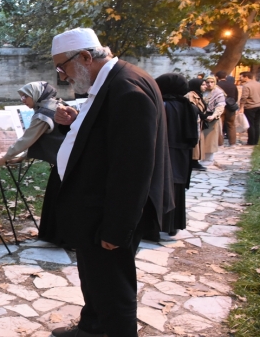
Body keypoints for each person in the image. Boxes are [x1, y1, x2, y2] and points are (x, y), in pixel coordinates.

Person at [40, 28, 174, 337]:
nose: (62, 76)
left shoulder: (127, 88)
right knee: (96, 277)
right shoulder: (113, 80)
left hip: (110, 211)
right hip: (96, 205)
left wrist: (117, 227)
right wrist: (77, 121)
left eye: (63, 67)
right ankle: (93, 327)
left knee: (113, 285)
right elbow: (111, 135)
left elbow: (134, 167)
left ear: (86, 57)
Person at [149, 73, 198, 239]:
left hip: (163, 150)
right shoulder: (188, 105)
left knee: (158, 186)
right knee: (176, 187)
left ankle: (153, 227)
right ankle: (172, 225)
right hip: (182, 153)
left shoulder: (161, 104)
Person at [0, 81, 64, 170]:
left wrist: (3, 159)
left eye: (26, 96)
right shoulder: (55, 105)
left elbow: (27, 139)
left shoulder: (44, 114)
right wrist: (21, 158)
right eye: (22, 97)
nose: (23, 100)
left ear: (36, 94)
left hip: (66, 161)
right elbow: (36, 138)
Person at [200, 76, 226, 165]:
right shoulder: (203, 91)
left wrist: (214, 115)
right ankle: (201, 157)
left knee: (211, 139)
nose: (209, 84)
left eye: (212, 82)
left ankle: (208, 159)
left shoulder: (218, 93)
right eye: (208, 82)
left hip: (212, 118)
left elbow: (220, 105)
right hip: (202, 117)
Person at [186, 78, 208, 170]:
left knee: (198, 141)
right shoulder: (190, 95)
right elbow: (192, 108)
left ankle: (195, 160)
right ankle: (193, 161)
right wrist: (202, 115)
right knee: (195, 141)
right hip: (194, 121)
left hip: (199, 121)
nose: (205, 86)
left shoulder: (198, 94)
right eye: (203, 85)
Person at [215, 70, 239, 145]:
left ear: (216, 77)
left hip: (220, 106)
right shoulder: (233, 85)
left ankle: (220, 142)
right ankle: (232, 142)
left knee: (220, 125)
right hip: (230, 107)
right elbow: (236, 97)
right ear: (226, 77)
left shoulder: (216, 85)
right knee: (231, 125)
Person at [240, 71, 260, 145]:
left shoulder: (247, 86)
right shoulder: (258, 84)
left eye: (241, 76)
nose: (240, 78)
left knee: (250, 124)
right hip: (258, 105)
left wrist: (241, 107)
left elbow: (244, 97)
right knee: (257, 124)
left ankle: (251, 141)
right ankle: (256, 141)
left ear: (246, 77)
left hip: (250, 106)